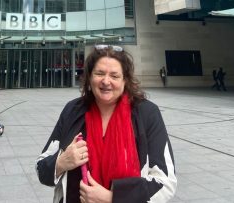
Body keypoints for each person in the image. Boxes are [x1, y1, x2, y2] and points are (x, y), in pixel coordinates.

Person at [35, 45, 177, 203]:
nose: (106, 81)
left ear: (125, 80)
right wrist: (61, 162)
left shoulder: (147, 113)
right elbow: (41, 168)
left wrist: (113, 198)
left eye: (114, 76)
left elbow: (165, 182)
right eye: (99, 73)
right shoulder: (72, 110)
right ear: (89, 77)